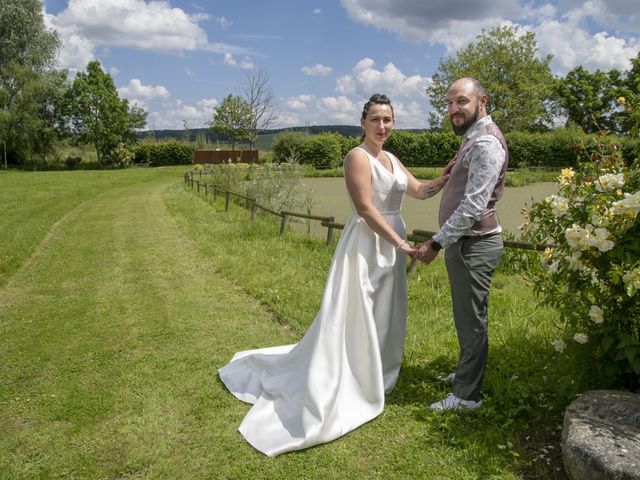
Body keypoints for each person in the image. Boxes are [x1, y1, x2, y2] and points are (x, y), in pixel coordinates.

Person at [218, 93, 449, 456]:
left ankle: (381, 374)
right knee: (356, 311)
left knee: (386, 311)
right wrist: (401, 244)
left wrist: (446, 177)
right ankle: (352, 378)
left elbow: (419, 190)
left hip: (391, 241)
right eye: (375, 119)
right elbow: (366, 208)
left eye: (388, 119)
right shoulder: (356, 157)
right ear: (363, 122)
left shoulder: (391, 158)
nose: (382, 126)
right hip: (368, 243)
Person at [415, 77, 508, 411]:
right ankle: (465, 375)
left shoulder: (485, 143)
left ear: (482, 101)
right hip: (466, 244)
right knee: (466, 317)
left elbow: (472, 206)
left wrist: (436, 244)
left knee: (472, 320)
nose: (454, 109)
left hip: (475, 244)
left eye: (462, 102)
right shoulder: (473, 137)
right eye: (450, 103)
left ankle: (468, 397)